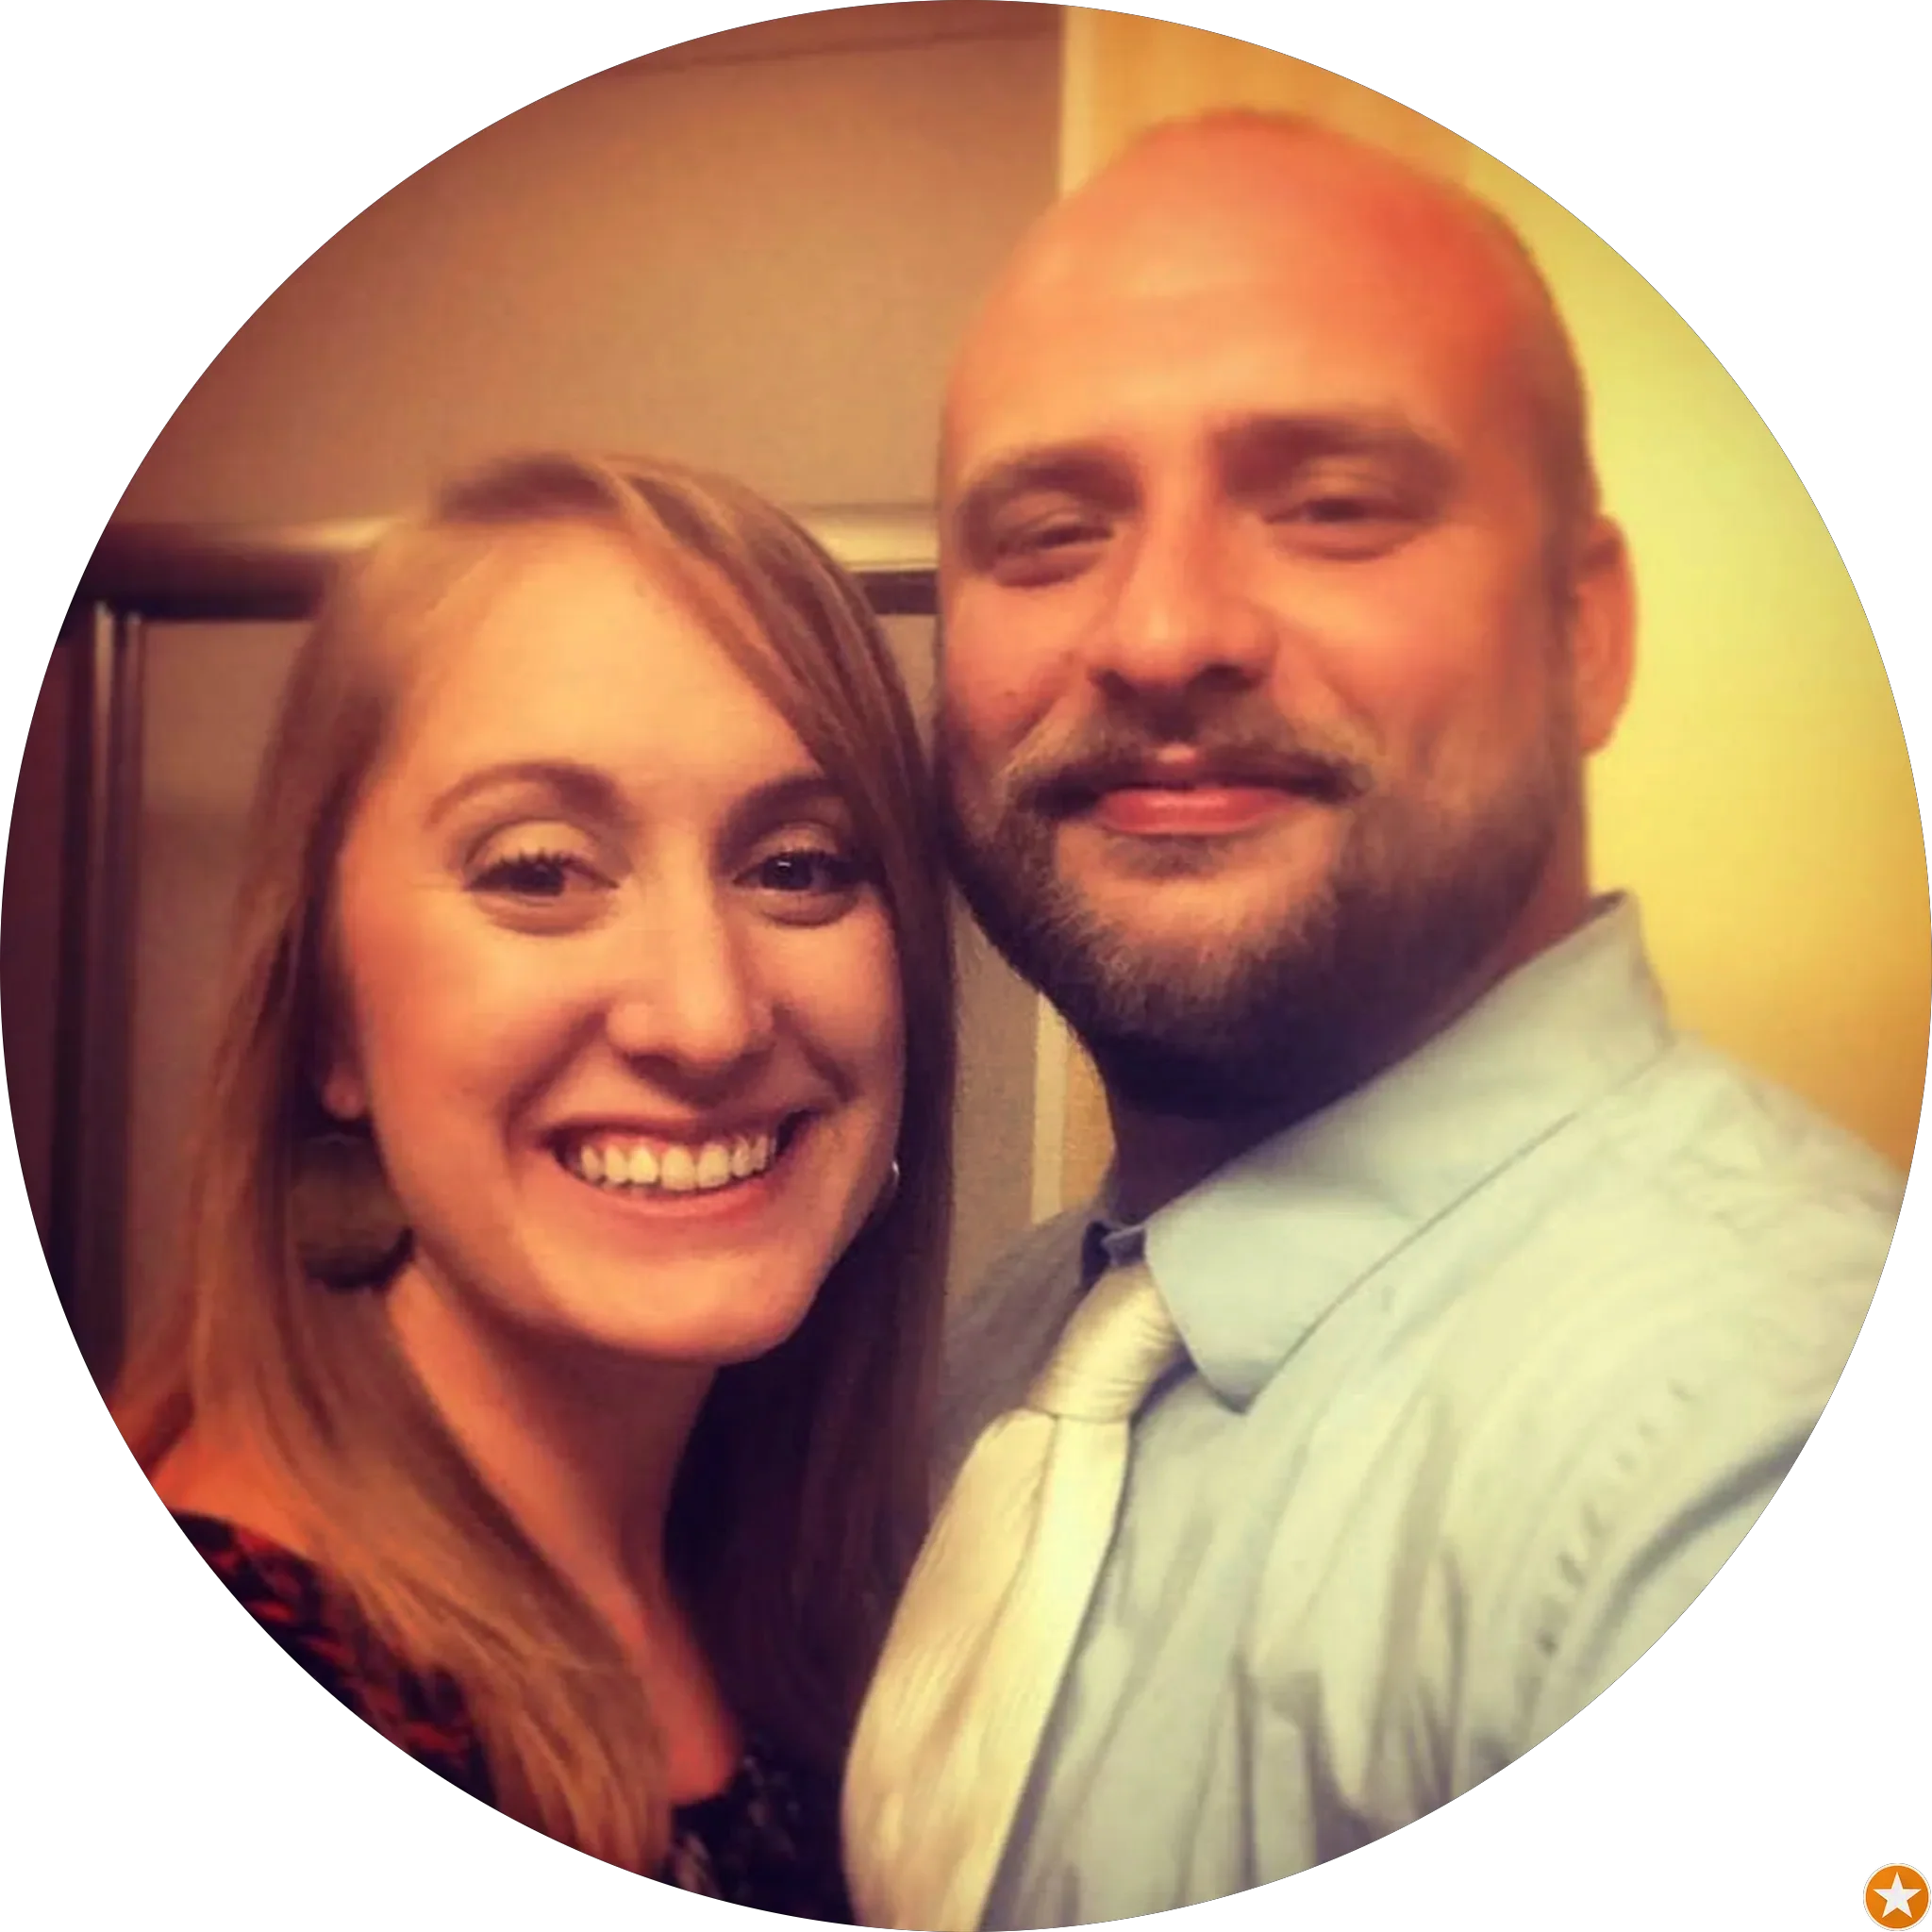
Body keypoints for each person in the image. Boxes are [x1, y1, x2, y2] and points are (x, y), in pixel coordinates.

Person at [841, 111, 1906, 1930]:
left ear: (1585, 632)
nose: (1161, 631)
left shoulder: (1728, 1442)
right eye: (1050, 533)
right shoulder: (1014, 1341)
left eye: (1332, 506)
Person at [112, 449, 957, 1918]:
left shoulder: (795, 1612)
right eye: (542, 871)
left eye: (799, 867)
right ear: (328, 1022)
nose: (706, 1017)